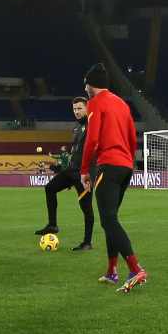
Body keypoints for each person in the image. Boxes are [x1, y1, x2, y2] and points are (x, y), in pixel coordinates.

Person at [80, 63, 147, 294]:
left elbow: (92, 140)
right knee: (111, 218)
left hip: (109, 165)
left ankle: (135, 268)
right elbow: (131, 137)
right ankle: (111, 271)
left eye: (86, 84)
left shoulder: (95, 103)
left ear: (91, 85)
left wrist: (83, 171)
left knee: (108, 220)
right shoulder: (121, 104)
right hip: (125, 166)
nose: (85, 89)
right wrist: (129, 164)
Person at [36, 96, 94, 251]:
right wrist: (60, 169)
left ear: (88, 108)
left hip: (84, 173)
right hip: (71, 171)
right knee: (49, 188)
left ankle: (87, 242)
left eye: (80, 108)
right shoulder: (77, 128)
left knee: (86, 208)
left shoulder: (93, 126)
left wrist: (91, 173)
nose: (76, 111)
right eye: (74, 109)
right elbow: (75, 153)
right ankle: (53, 225)